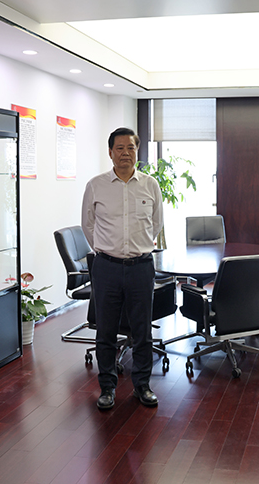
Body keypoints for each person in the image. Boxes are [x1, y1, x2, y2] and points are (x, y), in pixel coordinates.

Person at [82, 127, 163, 411]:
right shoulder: (96, 185)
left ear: (136, 151)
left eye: (130, 148)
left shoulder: (150, 185)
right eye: (120, 148)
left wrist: (138, 246)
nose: (125, 153)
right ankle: (107, 387)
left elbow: (156, 223)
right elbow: (88, 225)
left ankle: (142, 385)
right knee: (105, 331)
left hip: (141, 266)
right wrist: (107, 249)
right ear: (110, 152)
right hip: (107, 267)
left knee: (142, 331)